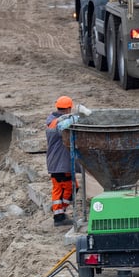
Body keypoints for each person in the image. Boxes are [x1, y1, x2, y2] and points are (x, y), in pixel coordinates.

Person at [46, 96, 80, 226]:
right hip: (60, 164)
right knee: (67, 188)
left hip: (57, 163)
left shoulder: (52, 120)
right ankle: (59, 216)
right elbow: (63, 126)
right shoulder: (58, 122)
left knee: (64, 188)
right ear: (68, 109)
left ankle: (59, 212)